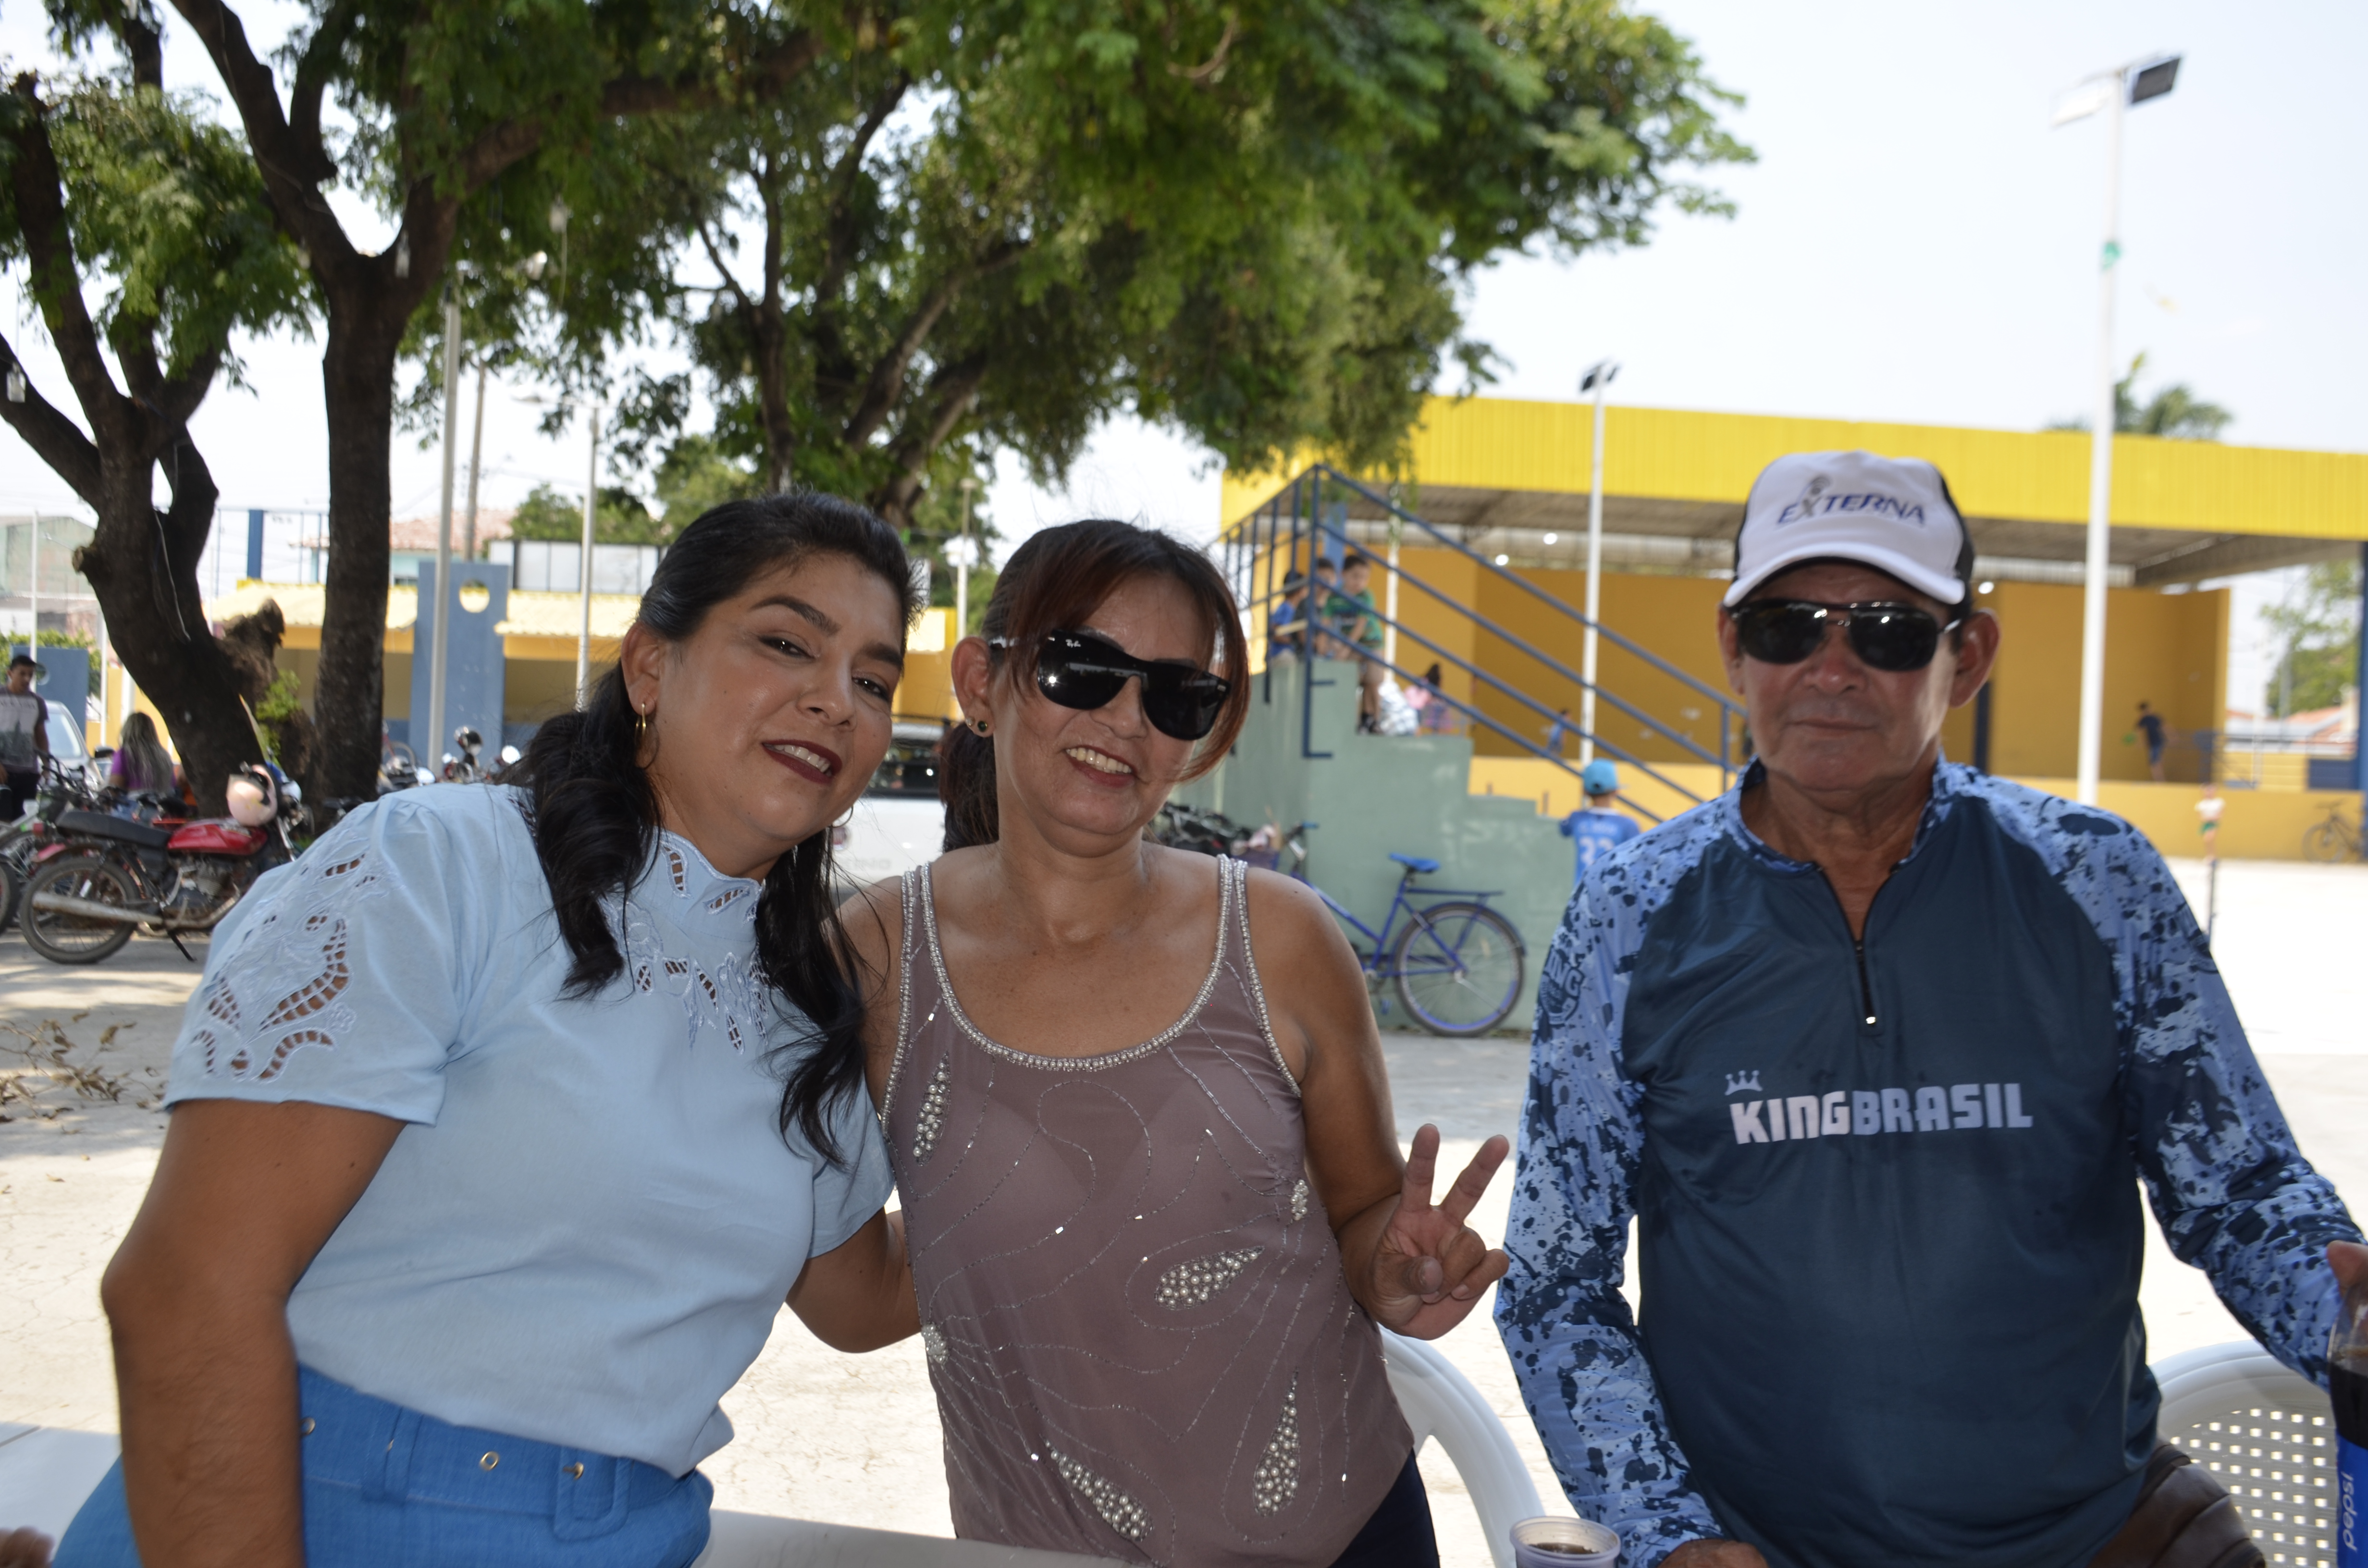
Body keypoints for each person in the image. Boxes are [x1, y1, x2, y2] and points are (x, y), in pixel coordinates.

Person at [1495, 449, 2368, 1568]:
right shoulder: (1627, 917)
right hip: (1754, 1548)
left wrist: (2348, 1307)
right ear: (1732, 647)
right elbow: (1556, 1284)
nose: (1832, 666)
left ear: (1970, 656)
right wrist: (1672, 1537)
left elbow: (2243, 1192)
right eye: (1788, 625)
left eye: (1891, 630)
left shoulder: (2098, 882)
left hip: (2106, 1535)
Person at [57, 496, 926, 1568]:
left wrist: (1119, 1158)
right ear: (649, 667)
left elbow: (864, 1293)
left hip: (629, 1536)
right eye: (786, 642)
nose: (836, 701)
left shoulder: (809, 1008)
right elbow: (188, 1289)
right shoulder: (440, 867)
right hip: (296, 1515)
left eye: (875, 681)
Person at [852, 519, 1508, 1568]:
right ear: (981, 681)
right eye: (1082, 668)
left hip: (1344, 1539)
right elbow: (869, 1295)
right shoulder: (874, 960)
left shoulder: (1284, 940)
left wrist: (1396, 1271)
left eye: (1176, 695)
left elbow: (1360, 1215)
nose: (1124, 719)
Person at [1327, 553, 1386, 731]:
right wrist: (1330, 643)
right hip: (1350, 645)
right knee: (1350, 681)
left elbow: (1360, 626)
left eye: (1365, 578)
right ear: (1343, 574)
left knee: (1373, 681)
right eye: (1355, 576)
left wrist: (1344, 649)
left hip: (1371, 644)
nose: (1360, 582)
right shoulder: (1334, 598)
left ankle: (1373, 719)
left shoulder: (1366, 597)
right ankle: (1352, 720)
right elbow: (1326, 623)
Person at [1556, 759, 1638, 885]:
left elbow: (1563, 829)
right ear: (1616, 791)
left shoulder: (1576, 819)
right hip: (1611, 892)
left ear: (1585, 792)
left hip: (1581, 890)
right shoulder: (1628, 825)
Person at [1, 653, 50, 822]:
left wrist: (46, 766)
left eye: (30, 674)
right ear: (10, 674)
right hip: (3, 773)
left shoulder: (37, 702)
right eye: (22, 673)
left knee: (23, 823)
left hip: (28, 774)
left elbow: (41, 735)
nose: (27, 678)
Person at [107, 712, 179, 802]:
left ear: (126, 731)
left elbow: (114, 789)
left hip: (134, 810)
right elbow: (173, 786)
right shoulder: (164, 756)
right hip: (163, 810)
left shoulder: (125, 754)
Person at [1268, 568, 1311, 663]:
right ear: (1299, 590)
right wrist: (1294, 641)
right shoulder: (1286, 608)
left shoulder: (1292, 609)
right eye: (1305, 588)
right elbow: (1274, 632)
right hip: (1281, 654)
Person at [2136, 699, 2169, 782]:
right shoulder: (2145, 719)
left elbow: (2164, 727)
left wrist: (2172, 737)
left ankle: (2159, 781)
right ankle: (2160, 780)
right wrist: (2140, 742)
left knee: (2154, 762)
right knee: (2157, 761)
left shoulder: (2154, 718)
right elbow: (2139, 731)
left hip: (2157, 742)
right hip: (2153, 743)